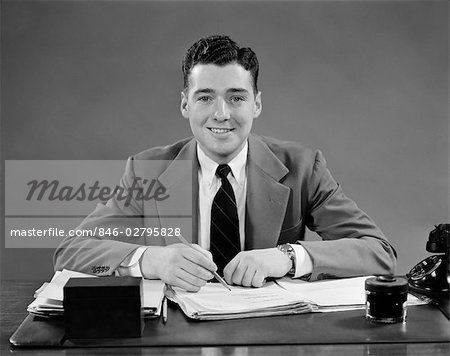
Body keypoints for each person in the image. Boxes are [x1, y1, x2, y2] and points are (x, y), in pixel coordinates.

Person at [54, 35, 397, 292]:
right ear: (185, 104)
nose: (221, 114)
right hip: (174, 336)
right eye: (205, 97)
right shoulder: (147, 171)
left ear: (256, 104)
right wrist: (151, 260)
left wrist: (287, 257)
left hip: (272, 337)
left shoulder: (304, 167)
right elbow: (71, 252)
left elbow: (378, 253)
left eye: (236, 97)